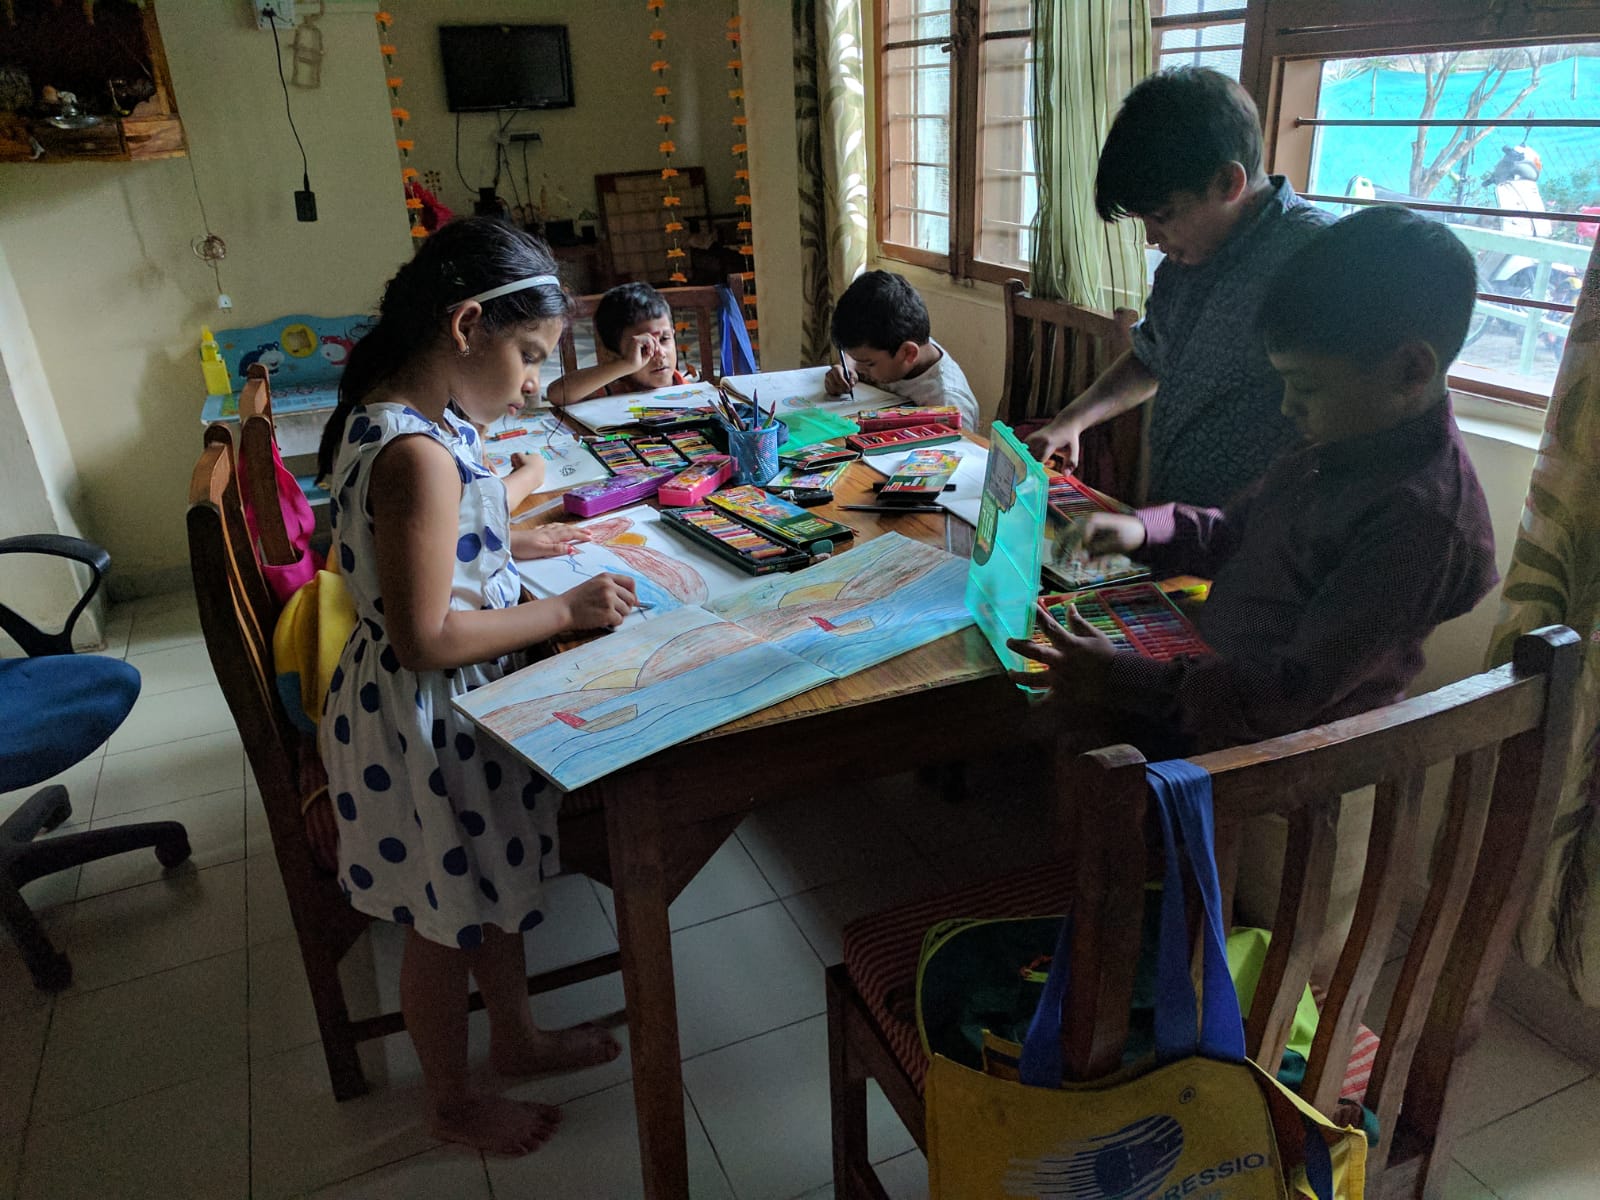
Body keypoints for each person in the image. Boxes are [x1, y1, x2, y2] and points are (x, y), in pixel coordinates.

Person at [314, 217, 638, 1156]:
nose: (537, 380)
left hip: (456, 713)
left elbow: (421, 553)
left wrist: (505, 542)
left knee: (489, 887)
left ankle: (519, 1038)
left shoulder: (409, 417)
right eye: (531, 356)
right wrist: (564, 613)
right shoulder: (413, 450)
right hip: (427, 720)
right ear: (466, 328)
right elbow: (424, 636)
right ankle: (451, 1100)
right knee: (441, 922)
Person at [1012, 205, 1498, 753]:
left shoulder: (1420, 523)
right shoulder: (1341, 439)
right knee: (1033, 704)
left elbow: (1286, 695)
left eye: (1306, 388)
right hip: (1215, 682)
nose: (1288, 407)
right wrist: (1145, 531)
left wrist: (1120, 677)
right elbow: (1233, 528)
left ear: (1411, 371)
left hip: (1274, 752)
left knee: (1058, 724)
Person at [1025, 67, 1334, 508]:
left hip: (1257, 542)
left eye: (1163, 216)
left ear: (1229, 183)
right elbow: (1151, 358)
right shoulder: (1186, 256)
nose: (1152, 239)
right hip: (1175, 524)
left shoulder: (1320, 259)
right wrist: (1071, 421)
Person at [823, 270, 980, 430]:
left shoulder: (947, 402)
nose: (861, 369)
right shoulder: (898, 342)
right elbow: (856, 354)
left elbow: (961, 452)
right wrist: (847, 367)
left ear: (908, 353)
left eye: (868, 364)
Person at [544, 281, 688, 404]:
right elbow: (556, 395)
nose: (660, 354)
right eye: (644, 347)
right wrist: (627, 365)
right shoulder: (612, 389)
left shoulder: (689, 391)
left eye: (664, 339)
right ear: (613, 354)